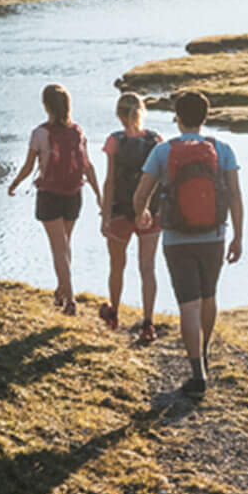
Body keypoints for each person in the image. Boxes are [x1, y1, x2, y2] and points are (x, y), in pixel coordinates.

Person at [134, 89, 243, 399]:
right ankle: (204, 352)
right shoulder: (223, 150)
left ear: (178, 119)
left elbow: (141, 193)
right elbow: (235, 195)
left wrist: (141, 214)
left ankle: (197, 373)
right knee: (209, 296)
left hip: (176, 238)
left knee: (188, 303)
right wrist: (238, 235)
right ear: (205, 117)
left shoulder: (162, 152)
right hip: (214, 236)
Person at [6, 83, 100, 315]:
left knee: (59, 250)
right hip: (74, 194)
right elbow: (87, 165)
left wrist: (15, 183)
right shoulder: (78, 131)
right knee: (66, 246)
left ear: (46, 106)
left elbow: (29, 166)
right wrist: (99, 194)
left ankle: (70, 301)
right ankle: (61, 290)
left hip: (49, 195)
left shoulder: (39, 133)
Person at [100, 92, 162, 343]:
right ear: (142, 111)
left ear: (118, 114)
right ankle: (148, 323)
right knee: (148, 269)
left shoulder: (114, 141)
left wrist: (105, 215)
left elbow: (110, 181)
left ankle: (114, 314)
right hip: (151, 211)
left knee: (117, 266)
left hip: (121, 211)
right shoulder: (155, 140)